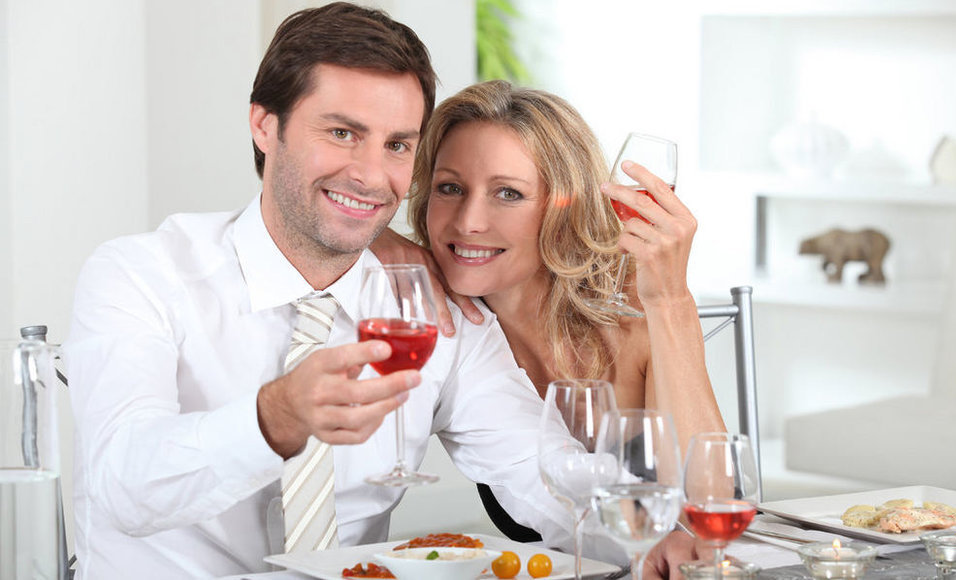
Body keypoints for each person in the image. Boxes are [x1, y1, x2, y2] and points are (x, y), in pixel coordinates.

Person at [63, 5, 578, 578]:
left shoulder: (431, 310)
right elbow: (122, 485)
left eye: (398, 145)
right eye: (342, 133)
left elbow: (541, 472)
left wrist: (647, 538)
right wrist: (273, 419)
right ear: (264, 125)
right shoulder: (139, 275)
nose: (370, 174)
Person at [374, 80, 726, 539]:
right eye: (450, 187)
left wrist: (673, 300)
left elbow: (711, 503)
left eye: (508, 194)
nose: (468, 221)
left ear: (565, 207)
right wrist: (370, 232)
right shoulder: (433, 318)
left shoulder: (636, 304)